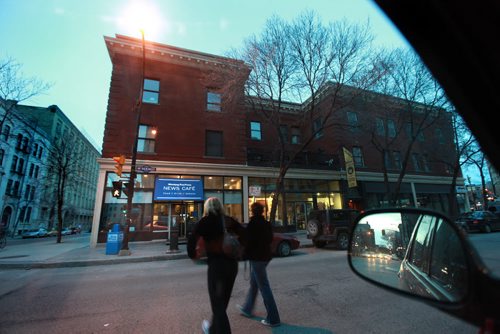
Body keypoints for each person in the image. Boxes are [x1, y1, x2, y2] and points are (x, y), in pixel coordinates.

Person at [187, 197, 245, 334]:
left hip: (217, 266)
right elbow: (245, 234)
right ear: (220, 207)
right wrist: (239, 248)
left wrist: (193, 255)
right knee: (222, 301)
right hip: (232, 266)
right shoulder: (228, 220)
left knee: (217, 303)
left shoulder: (204, 222)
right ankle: (213, 329)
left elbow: (192, 240)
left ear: (207, 208)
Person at [237, 202, 281, 327]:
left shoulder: (252, 224)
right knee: (254, 283)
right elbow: (269, 239)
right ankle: (247, 309)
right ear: (262, 211)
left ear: (252, 211)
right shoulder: (266, 224)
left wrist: (244, 253)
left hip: (257, 259)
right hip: (265, 257)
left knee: (263, 286)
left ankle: (273, 318)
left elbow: (247, 241)